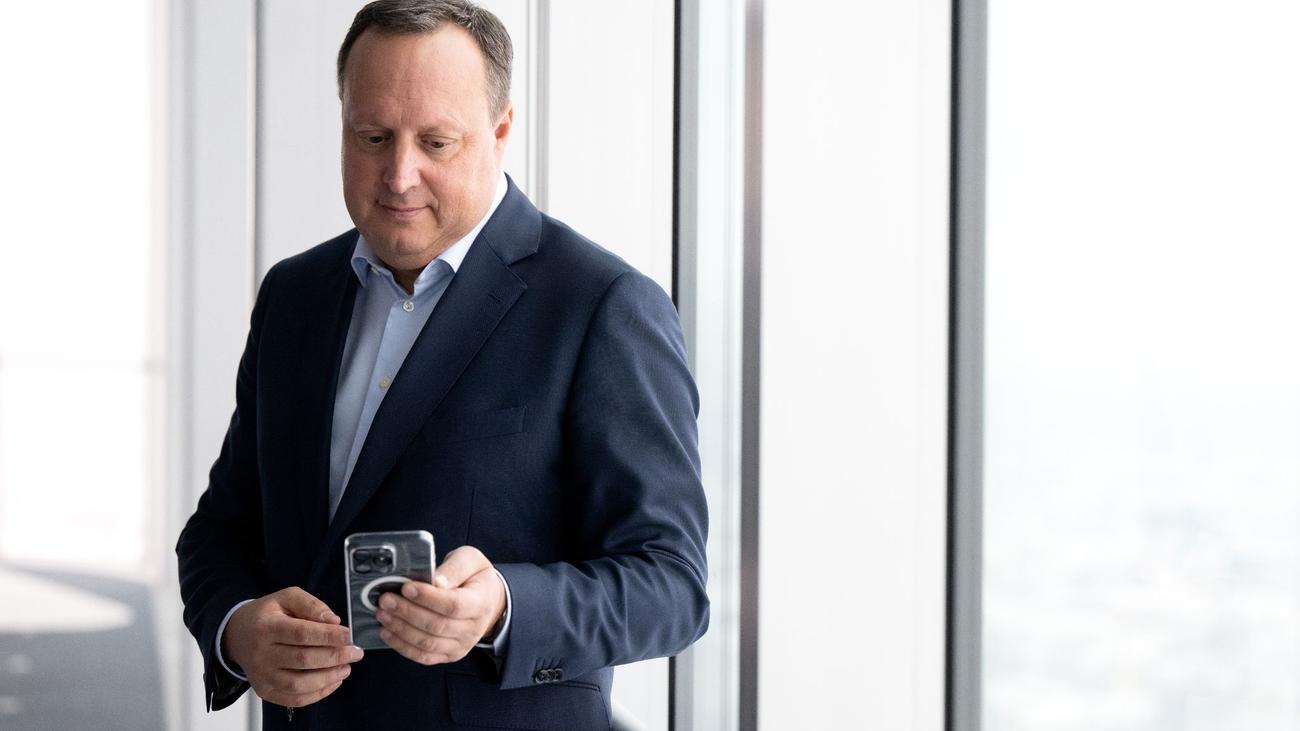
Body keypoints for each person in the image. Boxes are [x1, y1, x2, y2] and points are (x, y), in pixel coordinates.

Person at [175, 1, 709, 728]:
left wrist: (505, 607)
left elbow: (672, 585)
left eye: (436, 142)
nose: (399, 175)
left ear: (500, 131)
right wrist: (238, 629)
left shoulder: (602, 305)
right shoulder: (294, 296)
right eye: (372, 137)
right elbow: (220, 531)